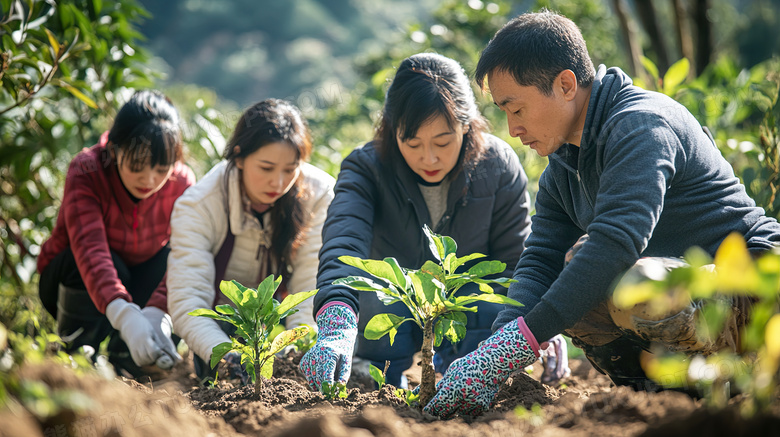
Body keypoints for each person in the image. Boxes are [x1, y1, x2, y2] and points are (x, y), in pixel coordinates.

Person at [424, 10, 780, 418]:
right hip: (699, 299)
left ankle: (743, 376)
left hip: (755, 287)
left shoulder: (641, 125)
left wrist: (517, 346)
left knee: (625, 279)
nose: (512, 129)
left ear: (565, 84)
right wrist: (498, 349)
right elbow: (540, 258)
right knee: (570, 278)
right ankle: (663, 395)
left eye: (516, 109)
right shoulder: (564, 161)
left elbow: (616, 243)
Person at [299, 53, 568, 391]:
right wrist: (335, 327)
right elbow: (343, 248)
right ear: (391, 131)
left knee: (489, 298)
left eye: (443, 141)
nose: (429, 158)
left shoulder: (497, 167)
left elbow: (516, 263)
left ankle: (467, 374)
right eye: (412, 143)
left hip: (467, 315)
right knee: (369, 293)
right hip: (394, 309)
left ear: (467, 125)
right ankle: (372, 375)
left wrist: (537, 326)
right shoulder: (366, 168)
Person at [166, 98, 335, 383]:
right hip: (221, 317)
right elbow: (188, 299)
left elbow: (310, 282)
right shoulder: (200, 205)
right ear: (239, 157)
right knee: (218, 380)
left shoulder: (318, 195)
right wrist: (225, 355)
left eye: (290, 169)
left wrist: (294, 352)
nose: (279, 183)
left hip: (275, 315)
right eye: (266, 168)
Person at [37, 90, 195, 378]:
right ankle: (80, 349)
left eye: (161, 169)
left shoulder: (181, 182)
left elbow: (189, 253)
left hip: (140, 279)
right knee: (101, 262)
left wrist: (159, 311)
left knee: (178, 259)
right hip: (75, 279)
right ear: (115, 149)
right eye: (136, 167)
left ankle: (134, 357)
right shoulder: (87, 170)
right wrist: (123, 313)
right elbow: (90, 250)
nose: (149, 180)